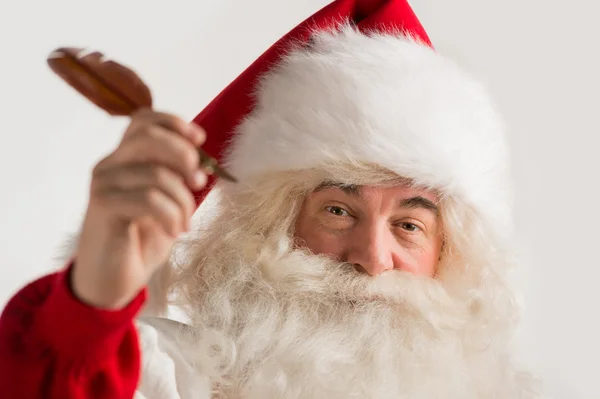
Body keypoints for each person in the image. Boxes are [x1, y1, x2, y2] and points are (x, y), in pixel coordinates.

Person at [0, 0, 541, 398]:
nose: (372, 260)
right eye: (337, 211)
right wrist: (92, 303)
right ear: (271, 226)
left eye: (409, 226)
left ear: (450, 255)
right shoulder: (164, 376)